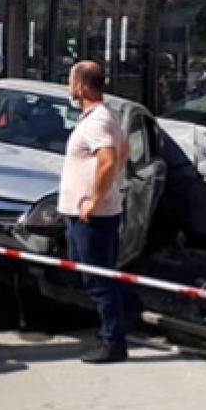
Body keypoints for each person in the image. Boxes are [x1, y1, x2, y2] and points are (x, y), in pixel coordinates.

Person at [58, 61, 131, 363]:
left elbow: (109, 159)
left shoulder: (98, 120)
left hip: (94, 216)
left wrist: (94, 199)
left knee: (98, 279)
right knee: (95, 274)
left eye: (70, 81)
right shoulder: (100, 117)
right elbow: (124, 150)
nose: (68, 86)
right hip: (88, 213)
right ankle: (123, 320)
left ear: (81, 87)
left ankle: (113, 341)